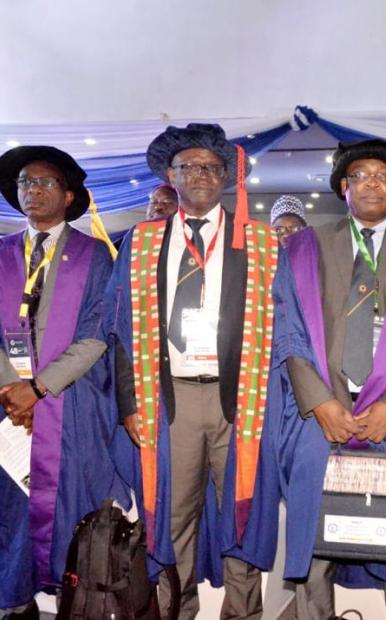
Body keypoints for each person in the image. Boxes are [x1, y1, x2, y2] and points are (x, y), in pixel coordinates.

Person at [245, 139, 386, 619]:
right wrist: (320, 402)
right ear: (343, 187)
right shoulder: (304, 248)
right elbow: (287, 330)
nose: (373, 184)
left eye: (384, 177)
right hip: (319, 412)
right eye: (361, 176)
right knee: (313, 527)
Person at [106, 123, 277, 619]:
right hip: (169, 399)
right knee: (172, 516)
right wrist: (129, 403)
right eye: (189, 166)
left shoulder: (260, 241)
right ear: (170, 176)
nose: (200, 174)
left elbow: (285, 322)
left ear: (226, 176)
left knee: (243, 512)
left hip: (241, 400)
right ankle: (176, 611)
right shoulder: (142, 242)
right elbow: (120, 326)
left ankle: (243, 613)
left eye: (211, 167)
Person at [0, 146, 132, 619]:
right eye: (25, 183)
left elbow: (97, 333)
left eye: (44, 182)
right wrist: (11, 389)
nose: (32, 190)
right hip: (6, 411)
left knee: (70, 504)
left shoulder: (95, 256)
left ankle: (72, 597)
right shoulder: (2, 253)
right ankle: (14, 600)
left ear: (68, 194)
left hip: (71, 404)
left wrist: (38, 388)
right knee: (11, 506)